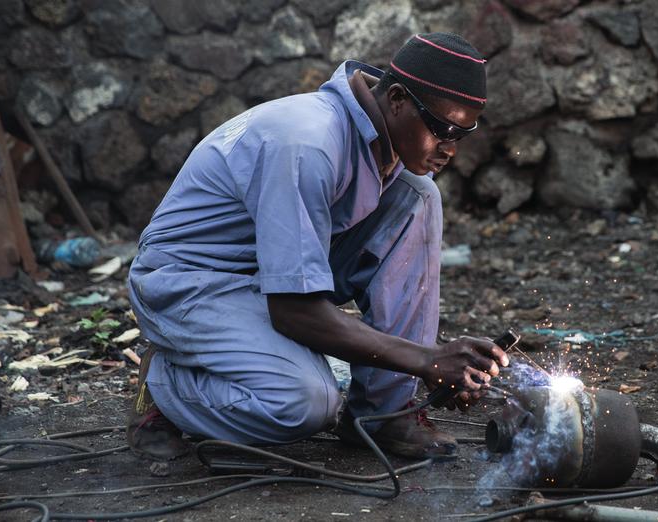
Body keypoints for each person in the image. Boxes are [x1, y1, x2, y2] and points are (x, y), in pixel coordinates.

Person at [126, 33, 510, 461]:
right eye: (443, 129)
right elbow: (294, 310)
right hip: (191, 282)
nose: (451, 149)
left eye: (464, 133)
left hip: (262, 272)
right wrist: (427, 361)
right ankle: (163, 384)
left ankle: (386, 413)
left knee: (418, 195)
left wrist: (427, 364)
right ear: (398, 98)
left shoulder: (383, 140)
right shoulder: (308, 143)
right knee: (303, 404)